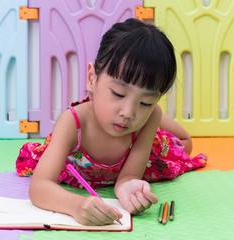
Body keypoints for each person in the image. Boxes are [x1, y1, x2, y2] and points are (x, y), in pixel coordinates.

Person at [16, 18, 207, 226]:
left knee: (184, 145)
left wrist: (127, 185)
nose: (128, 113)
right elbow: (39, 187)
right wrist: (75, 206)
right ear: (92, 78)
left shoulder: (149, 117)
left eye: (145, 102)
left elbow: (130, 175)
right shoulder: (72, 122)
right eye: (118, 93)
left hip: (143, 141)